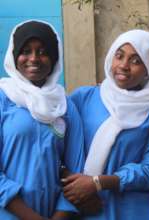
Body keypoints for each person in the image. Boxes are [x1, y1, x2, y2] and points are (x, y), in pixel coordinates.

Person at [63, 29, 149, 219]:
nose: (124, 65)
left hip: (129, 210)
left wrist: (99, 183)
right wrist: (78, 187)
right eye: (119, 56)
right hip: (78, 203)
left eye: (136, 61)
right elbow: (57, 149)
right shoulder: (83, 98)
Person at [0, 20, 85, 220]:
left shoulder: (65, 106)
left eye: (43, 52)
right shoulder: (3, 98)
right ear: (14, 55)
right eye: (26, 51)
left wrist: (59, 216)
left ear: (55, 58)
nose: (34, 59)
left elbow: (76, 171)